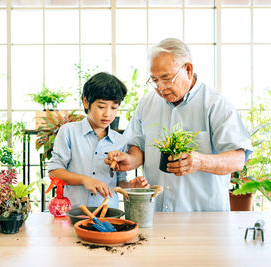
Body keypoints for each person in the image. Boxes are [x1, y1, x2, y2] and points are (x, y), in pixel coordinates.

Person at [105, 38, 253, 212]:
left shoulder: (215, 105)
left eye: (167, 79)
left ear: (188, 70)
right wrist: (130, 160)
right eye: (154, 80)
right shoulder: (147, 104)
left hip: (204, 218)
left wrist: (199, 161)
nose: (160, 88)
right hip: (156, 214)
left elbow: (237, 160)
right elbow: (137, 146)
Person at [47, 72, 149, 209]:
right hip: (74, 213)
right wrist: (85, 180)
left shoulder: (120, 140)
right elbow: (54, 171)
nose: (108, 114)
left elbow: (119, 182)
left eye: (114, 108)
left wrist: (130, 186)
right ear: (86, 102)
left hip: (108, 213)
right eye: (101, 107)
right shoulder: (69, 132)